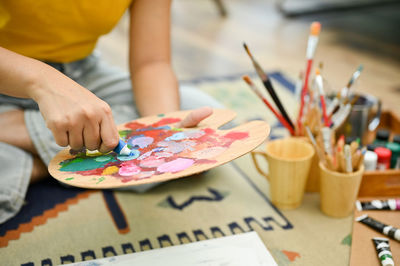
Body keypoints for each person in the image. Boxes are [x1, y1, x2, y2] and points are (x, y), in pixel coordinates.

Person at [0, 0, 223, 223]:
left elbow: (151, 63)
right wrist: (43, 82)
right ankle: (63, 154)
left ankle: (30, 145)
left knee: (212, 131)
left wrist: (166, 132)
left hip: (80, 72)